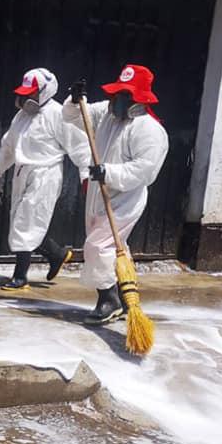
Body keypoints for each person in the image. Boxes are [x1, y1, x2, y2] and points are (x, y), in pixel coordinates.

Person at [62, 64, 169, 325]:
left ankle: (107, 300)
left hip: (125, 199)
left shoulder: (150, 130)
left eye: (126, 95)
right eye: (118, 93)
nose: (119, 100)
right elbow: (77, 116)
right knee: (113, 248)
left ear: (140, 98)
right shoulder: (108, 115)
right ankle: (124, 297)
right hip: (100, 194)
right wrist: (75, 101)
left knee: (99, 247)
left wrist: (108, 172)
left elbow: (145, 171)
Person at [0, 68, 91, 291]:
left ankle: (20, 277)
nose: (26, 99)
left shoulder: (57, 115)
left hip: (45, 174)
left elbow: (79, 147)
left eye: (30, 94)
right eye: (24, 94)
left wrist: (85, 175)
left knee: (27, 221)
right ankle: (57, 254)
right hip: (23, 172)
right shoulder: (22, 116)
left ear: (44, 91)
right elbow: (10, 146)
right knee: (20, 222)